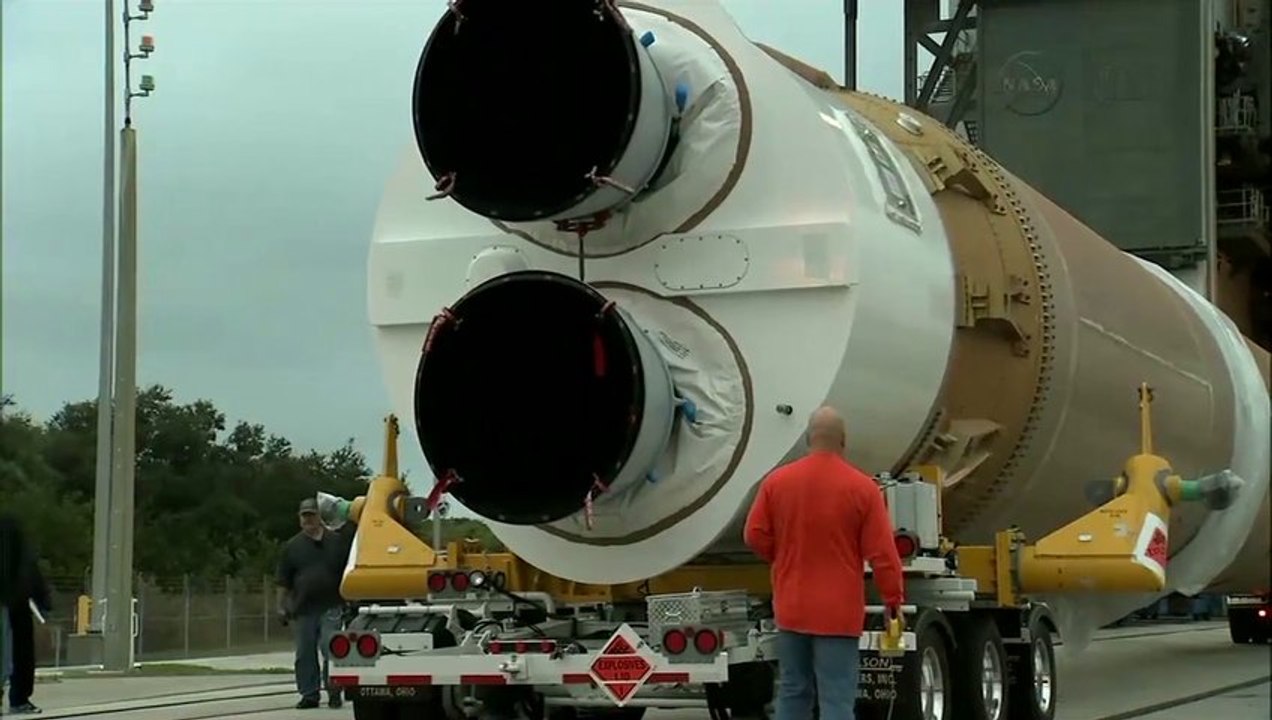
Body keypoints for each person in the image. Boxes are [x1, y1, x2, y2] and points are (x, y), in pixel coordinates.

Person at [744, 406, 905, 720]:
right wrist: (893, 602)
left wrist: (782, 557)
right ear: (843, 441)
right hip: (838, 613)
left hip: (791, 606)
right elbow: (883, 556)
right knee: (836, 698)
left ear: (807, 439)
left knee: (793, 690)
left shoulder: (777, 482)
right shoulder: (863, 489)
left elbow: (754, 534)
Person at [276, 497, 355, 710]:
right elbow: (283, 580)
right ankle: (309, 694)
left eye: (312, 515)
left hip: (332, 605)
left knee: (331, 648)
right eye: (305, 516)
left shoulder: (336, 542)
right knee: (304, 653)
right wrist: (281, 606)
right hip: (303, 608)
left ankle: (335, 690)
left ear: (320, 516)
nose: (308, 519)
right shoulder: (291, 547)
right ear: (300, 519)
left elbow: (348, 572)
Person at [0, 512, 52, 715]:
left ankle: (17, 697)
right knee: (18, 651)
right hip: (17, 598)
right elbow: (30, 570)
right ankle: (19, 698)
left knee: (8, 650)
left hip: (11, 598)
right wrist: (43, 601)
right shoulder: (15, 535)